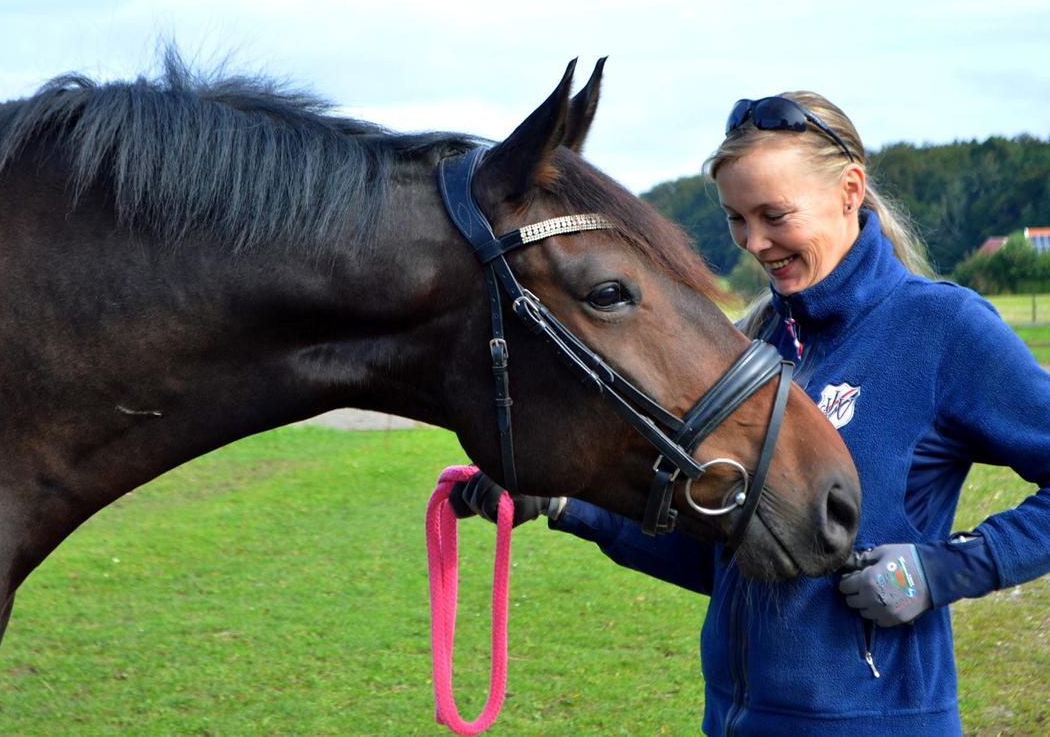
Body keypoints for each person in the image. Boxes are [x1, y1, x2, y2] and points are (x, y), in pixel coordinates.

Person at [450, 91, 1050, 735]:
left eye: (775, 215)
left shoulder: (943, 328)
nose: (754, 242)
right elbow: (721, 557)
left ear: (850, 190)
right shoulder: (753, 345)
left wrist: (942, 569)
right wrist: (568, 505)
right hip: (737, 720)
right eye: (737, 218)